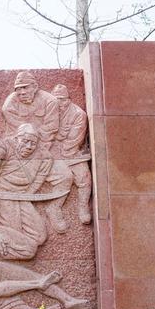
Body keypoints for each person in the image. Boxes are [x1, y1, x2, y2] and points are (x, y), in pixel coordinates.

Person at [0, 124, 52, 246]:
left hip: (23, 196)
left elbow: (39, 179)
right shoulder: (5, 148)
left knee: (40, 236)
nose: (29, 146)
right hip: (3, 195)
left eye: (33, 143)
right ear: (16, 138)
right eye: (25, 141)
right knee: (14, 234)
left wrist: (29, 193)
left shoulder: (44, 156)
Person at [49, 84, 92, 226]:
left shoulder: (78, 114)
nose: (60, 103)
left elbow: (75, 138)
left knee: (84, 178)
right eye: (56, 100)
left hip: (72, 152)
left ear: (68, 99)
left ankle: (83, 207)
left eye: (63, 99)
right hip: (51, 154)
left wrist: (59, 138)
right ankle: (54, 208)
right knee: (64, 178)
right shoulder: (48, 111)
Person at [2, 71, 59, 149]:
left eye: (25, 87)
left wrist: (33, 136)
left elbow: (52, 126)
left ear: (35, 87)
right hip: (18, 142)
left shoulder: (50, 100)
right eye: (18, 89)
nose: (22, 92)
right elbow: (12, 129)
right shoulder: (10, 103)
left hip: (41, 141)